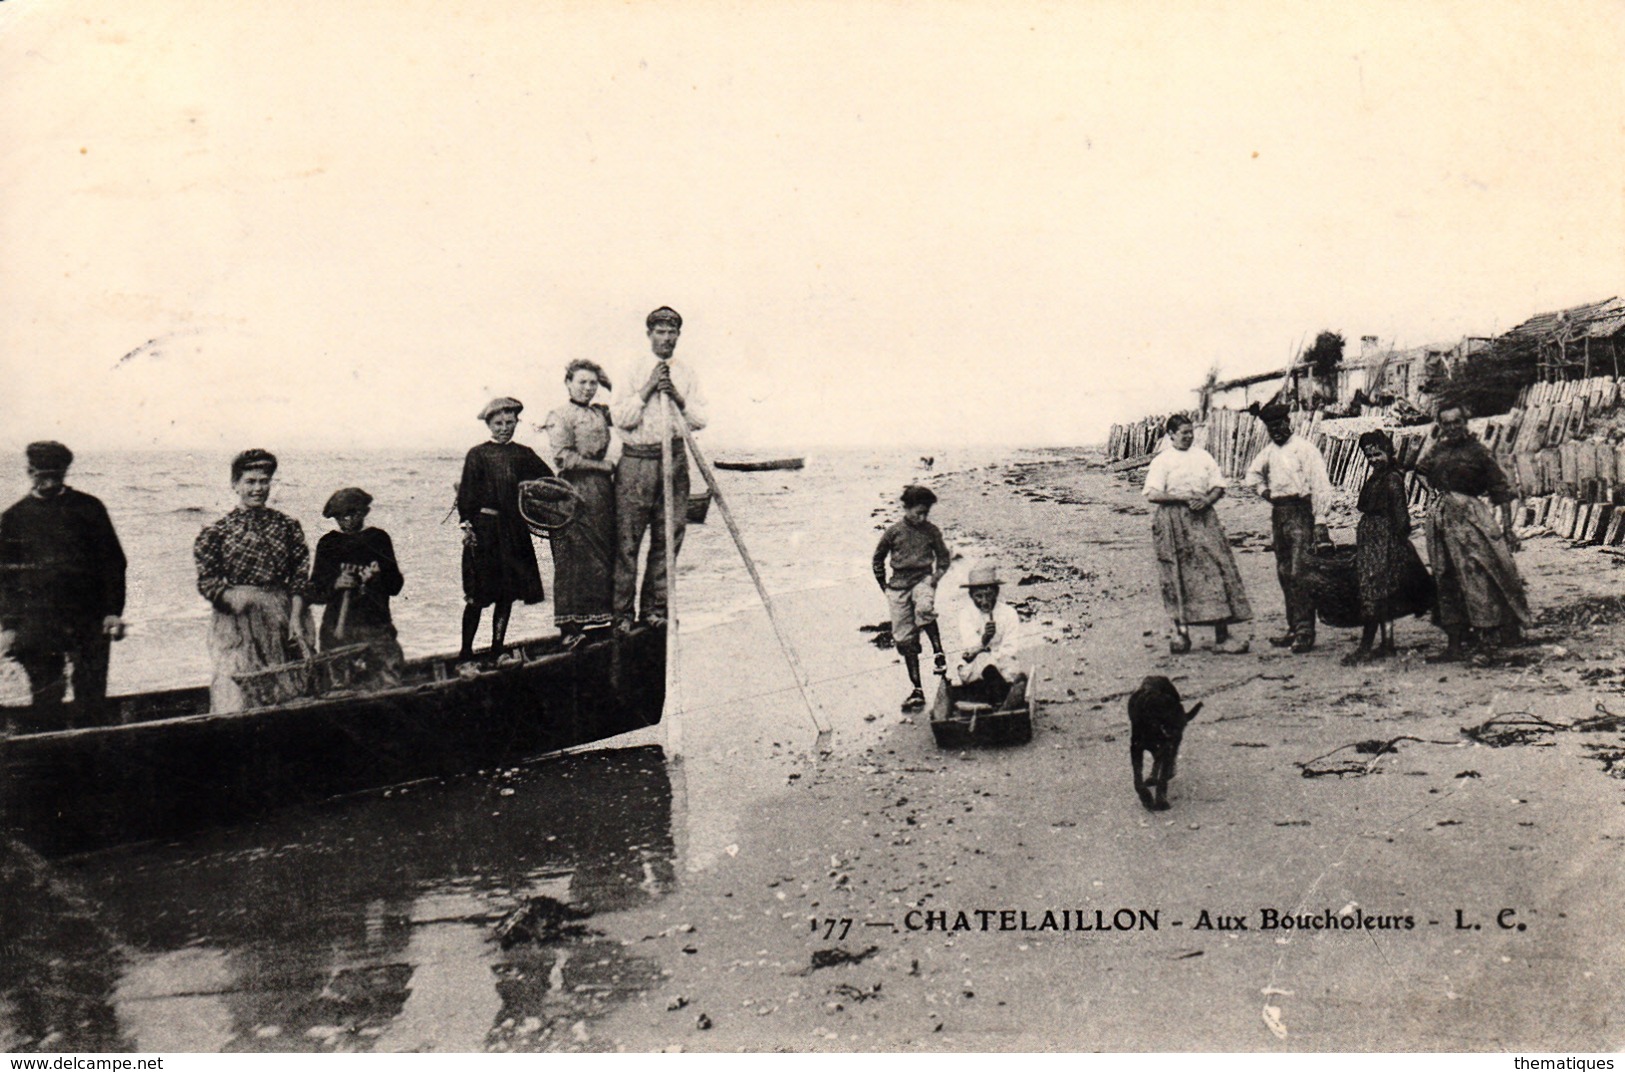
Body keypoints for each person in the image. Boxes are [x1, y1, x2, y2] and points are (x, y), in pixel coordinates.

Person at [0, 441, 127, 728]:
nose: (47, 481)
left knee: (91, 695)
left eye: (55, 474)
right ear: (28, 471)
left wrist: (112, 610)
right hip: (37, 621)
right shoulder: (13, 518)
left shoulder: (89, 508)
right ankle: (51, 763)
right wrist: (8, 626)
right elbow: (5, 579)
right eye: (40, 474)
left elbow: (113, 563)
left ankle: (90, 761)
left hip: (89, 616)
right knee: (45, 697)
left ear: (65, 471)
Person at [610, 306, 708, 631]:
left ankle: (655, 610)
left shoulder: (687, 372)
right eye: (660, 332)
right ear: (649, 334)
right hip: (637, 461)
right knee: (628, 541)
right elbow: (621, 418)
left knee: (669, 538)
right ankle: (622, 615)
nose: (666, 338)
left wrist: (678, 397)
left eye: (672, 333)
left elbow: (700, 419)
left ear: (678, 335)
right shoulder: (633, 369)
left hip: (675, 460)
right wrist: (649, 387)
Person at [193, 449, 314, 712]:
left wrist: (296, 618)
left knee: (288, 688)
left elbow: (299, 576)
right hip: (238, 619)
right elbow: (208, 581)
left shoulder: (287, 526)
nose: (258, 488)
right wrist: (230, 597)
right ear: (235, 485)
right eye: (250, 482)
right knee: (239, 691)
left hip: (282, 614)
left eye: (264, 481)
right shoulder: (216, 532)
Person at [1415, 404, 1531, 661]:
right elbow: (1419, 471)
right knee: (1445, 576)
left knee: (1476, 574)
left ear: (1465, 423)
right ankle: (1455, 643)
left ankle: (1487, 640)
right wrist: (1433, 494)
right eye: (1447, 424)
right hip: (1441, 520)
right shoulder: (1438, 449)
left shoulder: (1478, 452)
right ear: (1441, 427)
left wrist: (1509, 529)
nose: (1453, 428)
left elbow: (1501, 490)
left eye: (1457, 422)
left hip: (1470, 519)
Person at [1141, 414, 1253, 654]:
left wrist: (1207, 500)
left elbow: (1218, 486)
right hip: (1173, 522)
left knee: (1216, 570)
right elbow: (1152, 494)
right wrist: (1184, 498)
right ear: (1171, 434)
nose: (1189, 436)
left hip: (1203, 519)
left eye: (1191, 432)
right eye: (1183, 433)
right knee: (1177, 574)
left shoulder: (1203, 456)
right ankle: (1182, 635)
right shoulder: (1163, 461)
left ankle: (1222, 636)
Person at [458, 397, 554, 662]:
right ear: (489, 424)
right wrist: (468, 527)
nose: (504, 428)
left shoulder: (524, 454)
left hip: (514, 531)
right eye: (498, 423)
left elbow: (549, 481)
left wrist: (534, 494)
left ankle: (497, 648)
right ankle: (465, 652)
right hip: (485, 530)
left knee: (507, 594)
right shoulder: (477, 454)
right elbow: (466, 495)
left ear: (516, 423)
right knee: (477, 595)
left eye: (510, 422)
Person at [1244, 403, 1333, 653]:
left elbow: (1321, 485)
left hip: (1301, 512)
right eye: (1271, 428)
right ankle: (1293, 627)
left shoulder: (1305, 449)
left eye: (1279, 425)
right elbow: (1251, 476)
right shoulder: (1269, 452)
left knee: (1300, 571)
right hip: (1279, 513)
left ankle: (1305, 631)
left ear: (1288, 422)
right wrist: (1265, 492)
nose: (1276, 431)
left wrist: (1320, 521)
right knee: (1284, 571)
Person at [544, 360, 618, 648]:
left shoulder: (600, 413)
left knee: (603, 554)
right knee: (573, 558)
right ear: (568, 383)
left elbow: (628, 414)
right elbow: (564, 456)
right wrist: (602, 467)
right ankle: (570, 628)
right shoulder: (559, 415)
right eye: (582, 382)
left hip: (602, 492)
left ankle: (600, 622)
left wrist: (611, 384)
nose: (588, 388)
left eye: (593, 383)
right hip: (574, 490)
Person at [1345, 430, 1434, 664]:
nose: (1374, 459)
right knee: (1379, 594)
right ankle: (1387, 644)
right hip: (1372, 539)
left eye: (1378, 454)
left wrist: (1394, 543)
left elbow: (1402, 518)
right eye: (1369, 456)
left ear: (1388, 452)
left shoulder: (1392, 479)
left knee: (1373, 592)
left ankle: (1367, 646)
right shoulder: (1377, 477)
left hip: (1382, 541)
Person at [308, 487, 406, 684]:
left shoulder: (378, 539)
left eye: (352, 514)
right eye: (339, 517)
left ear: (364, 512)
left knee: (389, 679)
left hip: (376, 626)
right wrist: (335, 583)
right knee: (335, 684)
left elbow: (395, 586)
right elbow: (315, 592)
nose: (346, 520)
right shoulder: (328, 544)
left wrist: (378, 575)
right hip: (337, 630)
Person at [873, 484, 952, 712]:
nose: (922, 517)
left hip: (923, 580)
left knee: (924, 607)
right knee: (904, 639)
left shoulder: (932, 531)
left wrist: (935, 578)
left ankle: (938, 651)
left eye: (925, 512)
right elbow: (877, 559)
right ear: (906, 508)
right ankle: (917, 689)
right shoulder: (893, 532)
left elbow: (944, 558)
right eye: (918, 512)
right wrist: (884, 586)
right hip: (897, 586)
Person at [954, 564, 1028, 710]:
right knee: (981, 663)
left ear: (997, 592)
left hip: (1003, 666)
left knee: (996, 669)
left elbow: (1010, 648)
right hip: (977, 668)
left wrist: (992, 660)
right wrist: (984, 639)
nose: (984, 601)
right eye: (978, 596)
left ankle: (995, 700)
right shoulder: (965, 615)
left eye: (988, 595)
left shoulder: (1009, 613)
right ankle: (1000, 701)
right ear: (970, 595)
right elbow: (969, 650)